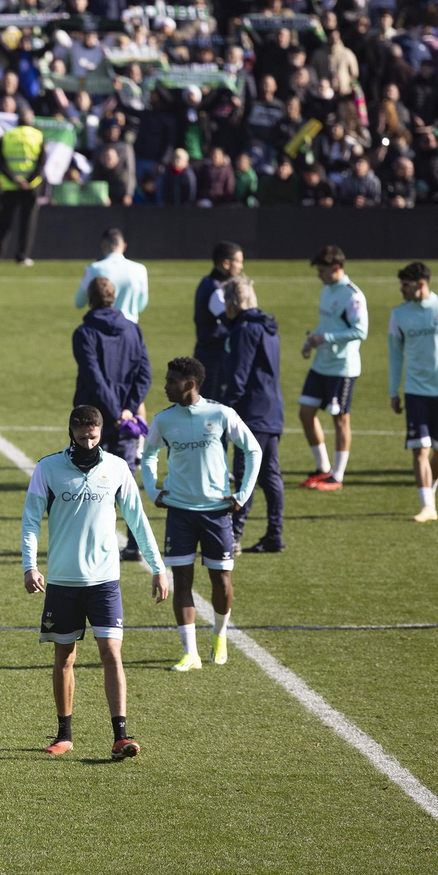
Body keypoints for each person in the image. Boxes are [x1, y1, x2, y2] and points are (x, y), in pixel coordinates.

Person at [22, 406, 169, 759]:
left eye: (93, 435)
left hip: (104, 581)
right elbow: (30, 521)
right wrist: (30, 566)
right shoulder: (48, 468)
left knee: (111, 653)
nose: (88, 442)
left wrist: (158, 566)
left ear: (101, 432)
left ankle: (121, 735)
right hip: (63, 580)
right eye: (82, 435)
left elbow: (138, 519)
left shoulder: (117, 468)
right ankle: (64, 734)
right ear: (71, 430)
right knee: (65, 657)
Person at [141, 357, 262, 672]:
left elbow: (253, 450)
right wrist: (153, 491)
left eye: (171, 381)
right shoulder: (164, 420)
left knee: (221, 579)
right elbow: (149, 454)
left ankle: (219, 636)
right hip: (179, 512)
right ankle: (190, 652)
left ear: (190, 385)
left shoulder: (220, 414)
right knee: (181, 579)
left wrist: (243, 494)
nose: (165, 386)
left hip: (217, 513)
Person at [72, 276, 152, 560]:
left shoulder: (84, 333)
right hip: (124, 421)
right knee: (127, 484)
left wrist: (114, 411)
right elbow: (145, 374)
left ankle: (88, 543)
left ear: (91, 299)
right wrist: (128, 409)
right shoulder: (133, 330)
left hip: (91, 423)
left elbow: (93, 377)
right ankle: (135, 544)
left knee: (85, 482)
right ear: (114, 298)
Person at [388, 262, 438, 523]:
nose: (402, 289)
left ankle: (429, 493)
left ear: (421, 284)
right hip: (415, 392)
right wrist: (394, 390)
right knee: (419, 450)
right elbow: (394, 356)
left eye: (406, 285)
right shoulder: (398, 315)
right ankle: (428, 506)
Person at [216, 276, 286, 553]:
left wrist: (222, 408)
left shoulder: (244, 330)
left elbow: (239, 376)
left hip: (252, 411)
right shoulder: (268, 328)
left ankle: (234, 535)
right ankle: (274, 534)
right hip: (272, 409)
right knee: (269, 474)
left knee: (245, 473)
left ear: (233, 302)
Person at [298, 246, 368, 491]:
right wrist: (311, 342)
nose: (319, 275)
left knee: (340, 420)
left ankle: (337, 477)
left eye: (322, 270)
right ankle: (323, 468)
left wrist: (324, 339)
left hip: (342, 368)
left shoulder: (353, 296)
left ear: (337, 268)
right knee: (306, 413)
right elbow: (327, 324)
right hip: (321, 364)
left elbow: (361, 331)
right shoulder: (327, 290)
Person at [0, 109, 45, 265]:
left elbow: (0, 162)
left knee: (4, 221)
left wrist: (14, 179)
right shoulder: (38, 136)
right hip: (31, 186)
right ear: (30, 120)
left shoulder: (7, 136)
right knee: (27, 222)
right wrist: (28, 180)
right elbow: (41, 163)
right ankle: (22, 256)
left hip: (9, 185)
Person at [192, 242, 243, 397]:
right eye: (239, 262)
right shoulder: (215, 290)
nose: (241, 267)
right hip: (212, 359)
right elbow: (231, 322)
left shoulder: (208, 283)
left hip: (207, 354)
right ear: (226, 263)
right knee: (212, 406)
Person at [74, 229, 149, 323]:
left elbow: (79, 303)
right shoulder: (140, 269)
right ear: (124, 246)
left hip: (102, 330)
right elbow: (141, 306)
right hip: (129, 330)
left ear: (102, 246)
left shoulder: (93, 269)